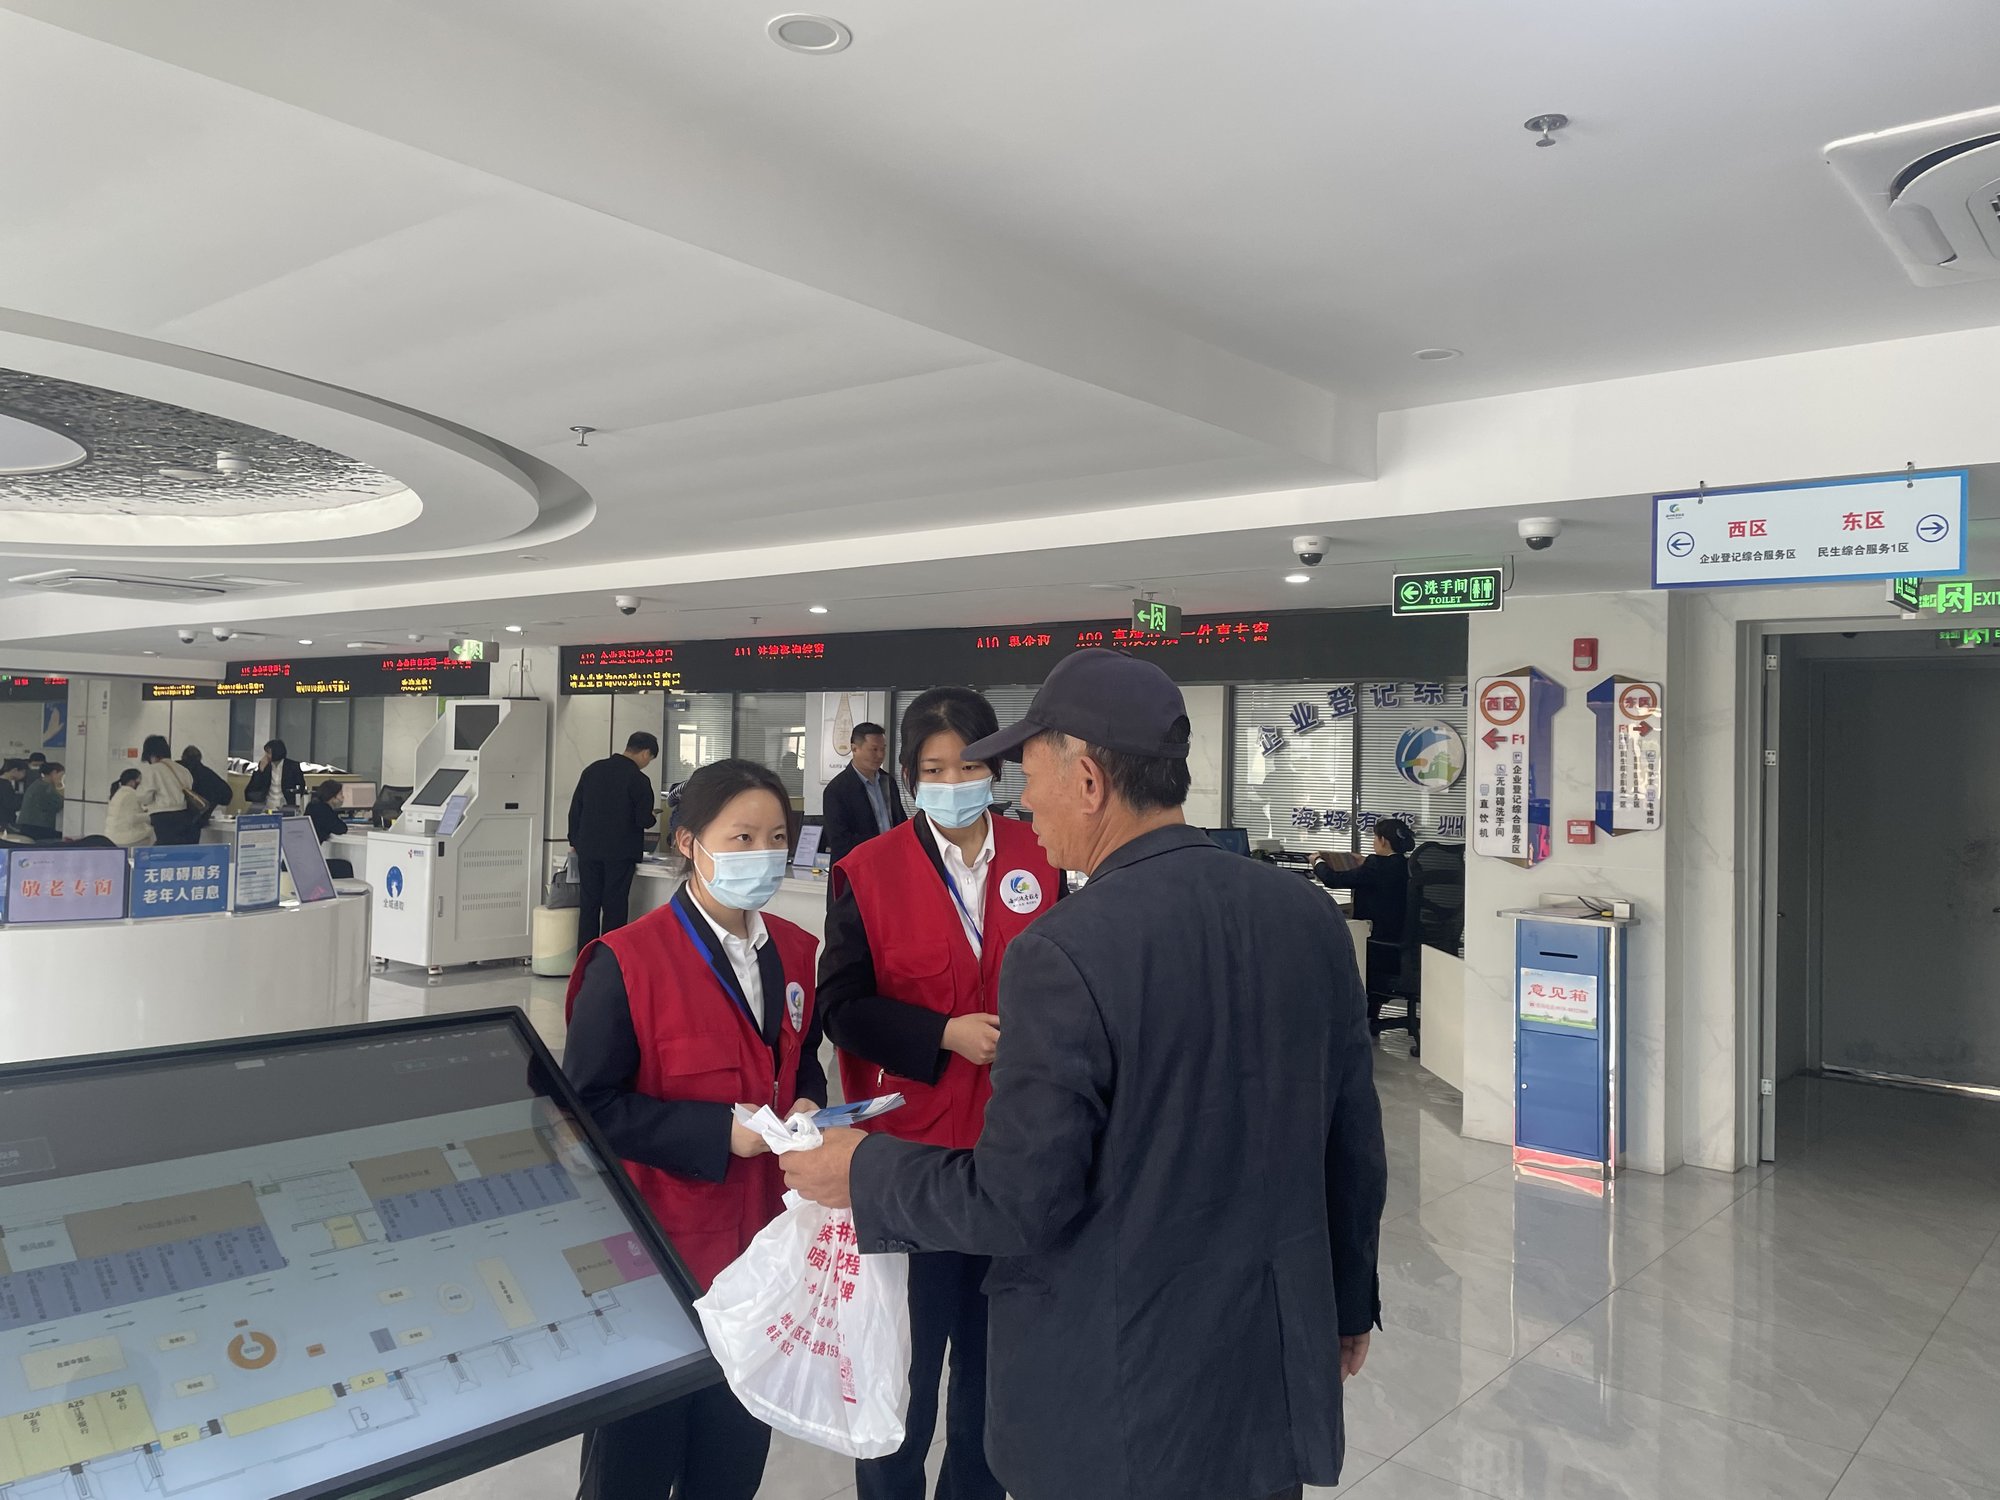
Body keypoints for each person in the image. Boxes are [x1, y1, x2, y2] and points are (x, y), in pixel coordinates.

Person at [784, 650, 1387, 1500]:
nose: (1024, 802)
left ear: (1091, 781)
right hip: (1268, 1372)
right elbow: (1353, 1141)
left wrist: (863, 1170)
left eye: (1029, 778)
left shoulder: (1064, 949)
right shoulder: (1308, 916)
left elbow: (1021, 1200)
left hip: (1126, 1391)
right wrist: (1348, 1300)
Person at [819, 689, 1062, 1500]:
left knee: (996, 1376)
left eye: (969, 766)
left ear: (997, 770)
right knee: (903, 1376)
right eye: (934, 768)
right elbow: (841, 1009)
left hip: (1016, 1155)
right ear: (908, 774)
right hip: (911, 1165)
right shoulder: (869, 871)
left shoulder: (1044, 853)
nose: (953, 782)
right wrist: (940, 1034)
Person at [562, 758, 826, 1500]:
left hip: (761, 1253)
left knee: (731, 1455)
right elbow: (585, 1109)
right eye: (741, 838)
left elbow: (801, 1060)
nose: (762, 855)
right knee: (634, 1464)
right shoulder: (627, 961)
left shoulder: (795, 952)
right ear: (688, 842)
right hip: (662, 1254)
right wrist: (715, 1132)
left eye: (776, 838)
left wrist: (808, 1101)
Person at [568, 731, 660, 950]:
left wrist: (575, 841)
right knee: (615, 907)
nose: (646, 763)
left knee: (589, 905)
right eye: (649, 759)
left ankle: (585, 957)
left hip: (588, 850)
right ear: (645, 753)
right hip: (620, 853)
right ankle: (609, 957)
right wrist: (652, 816)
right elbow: (643, 820)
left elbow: (575, 810)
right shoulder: (638, 779)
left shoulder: (592, 770)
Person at [1313, 818, 1415, 999]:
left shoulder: (1375, 866)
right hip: (1401, 949)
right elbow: (1384, 873)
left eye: (1375, 837)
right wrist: (1365, 861)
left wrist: (1317, 862)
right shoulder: (1409, 866)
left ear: (1383, 840)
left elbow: (1333, 880)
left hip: (1375, 947)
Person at [821, 721, 906, 868]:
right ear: (855, 749)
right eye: (874, 749)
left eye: (883, 749)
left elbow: (900, 823)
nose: (880, 755)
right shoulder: (837, 790)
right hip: (858, 868)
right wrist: (884, 843)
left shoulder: (888, 782)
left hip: (891, 864)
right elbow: (840, 842)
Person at [137, 736, 200, 845]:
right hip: (184, 814)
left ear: (150, 754)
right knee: (178, 848)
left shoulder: (153, 770)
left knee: (164, 848)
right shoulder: (183, 770)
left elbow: (145, 797)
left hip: (163, 817)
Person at [245, 738, 306, 811]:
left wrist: (293, 801)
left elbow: (301, 786)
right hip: (267, 806)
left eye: (268, 753)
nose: (266, 755)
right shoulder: (265, 766)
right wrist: (260, 771)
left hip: (286, 805)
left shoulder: (292, 766)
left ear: (277, 752)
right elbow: (252, 788)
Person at [180, 746, 235, 823]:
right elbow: (226, 794)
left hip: (180, 816)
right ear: (200, 758)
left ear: (183, 757)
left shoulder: (178, 770)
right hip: (201, 817)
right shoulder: (207, 774)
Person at [106, 769, 155, 847]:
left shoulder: (119, 793)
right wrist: (151, 816)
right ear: (132, 782)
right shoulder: (130, 795)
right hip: (126, 839)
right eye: (140, 780)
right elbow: (132, 818)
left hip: (112, 837)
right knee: (152, 835)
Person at [17, 761, 63, 839]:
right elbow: (59, 804)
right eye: (61, 775)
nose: (61, 778)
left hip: (29, 824)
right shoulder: (47, 788)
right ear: (54, 772)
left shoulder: (38, 783)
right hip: (39, 826)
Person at [0, 759, 26, 827]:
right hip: (5, 821)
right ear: (14, 770)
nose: (24, 775)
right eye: (23, 772)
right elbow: (11, 804)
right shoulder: (5, 785)